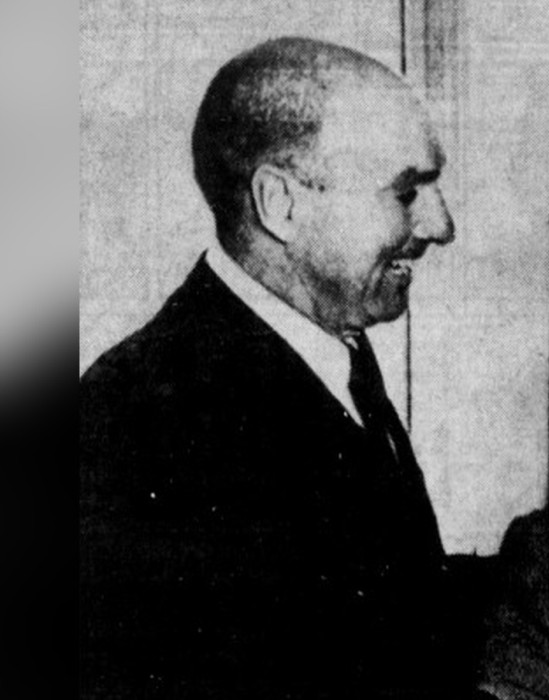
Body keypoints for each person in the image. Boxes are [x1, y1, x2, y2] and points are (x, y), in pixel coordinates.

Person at [80, 36, 484, 699]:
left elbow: (378, 598)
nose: (441, 226)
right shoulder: (142, 422)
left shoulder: (323, 344)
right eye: (407, 191)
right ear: (281, 204)